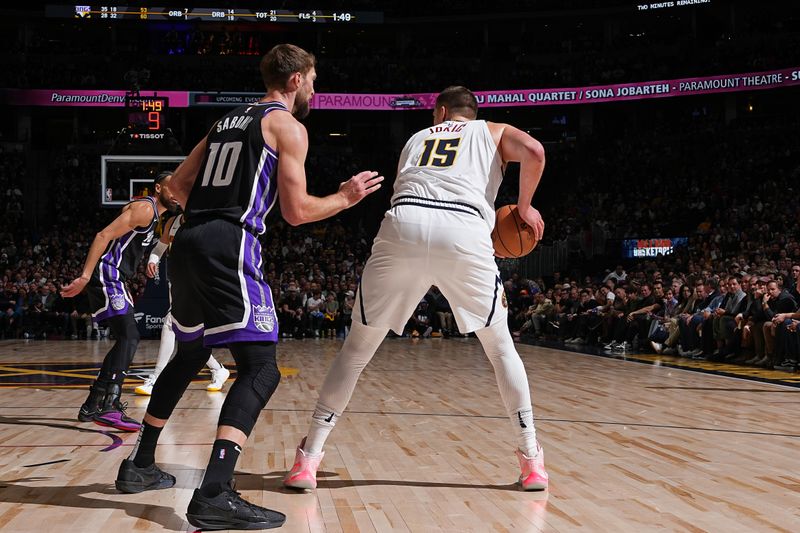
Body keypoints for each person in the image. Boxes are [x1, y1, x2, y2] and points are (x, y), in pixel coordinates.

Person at [115, 43, 382, 531]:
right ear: (296, 79)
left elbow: (173, 187)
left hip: (189, 242)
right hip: (230, 243)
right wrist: (344, 198)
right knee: (260, 368)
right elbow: (296, 212)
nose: (316, 89)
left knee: (190, 355)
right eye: (315, 79)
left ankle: (140, 465)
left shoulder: (223, 122)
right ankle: (215, 490)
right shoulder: (286, 126)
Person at [284, 86, 549, 492]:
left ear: (440, 112)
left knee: (356, 350)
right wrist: (526, 206)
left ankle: (308, 460)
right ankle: (532, 461)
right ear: (473, 113)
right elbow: (534, 151)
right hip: (463, 229)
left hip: (404, 223)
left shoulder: (416, 139)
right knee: (499, 349)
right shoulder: (491, 131)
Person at [61, 172, 175, 431]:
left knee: (127, 337)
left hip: (117, 278)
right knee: (130, 336)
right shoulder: (146, 208)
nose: (177, 191)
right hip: (108, 274)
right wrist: (84, 276)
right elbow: (103, 236)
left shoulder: (155, 215)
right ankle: (109, 404)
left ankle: (93, 404)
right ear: (158, 188)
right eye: (172, 187)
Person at [134, 207, 230, 396]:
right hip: (178, 282)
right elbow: (160, 247)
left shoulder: (207, 220)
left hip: (203, 282)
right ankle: (218, 369)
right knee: (187, 332)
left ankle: (156, 378)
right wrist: (153, 260)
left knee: (171, 324)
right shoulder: (172, 221)